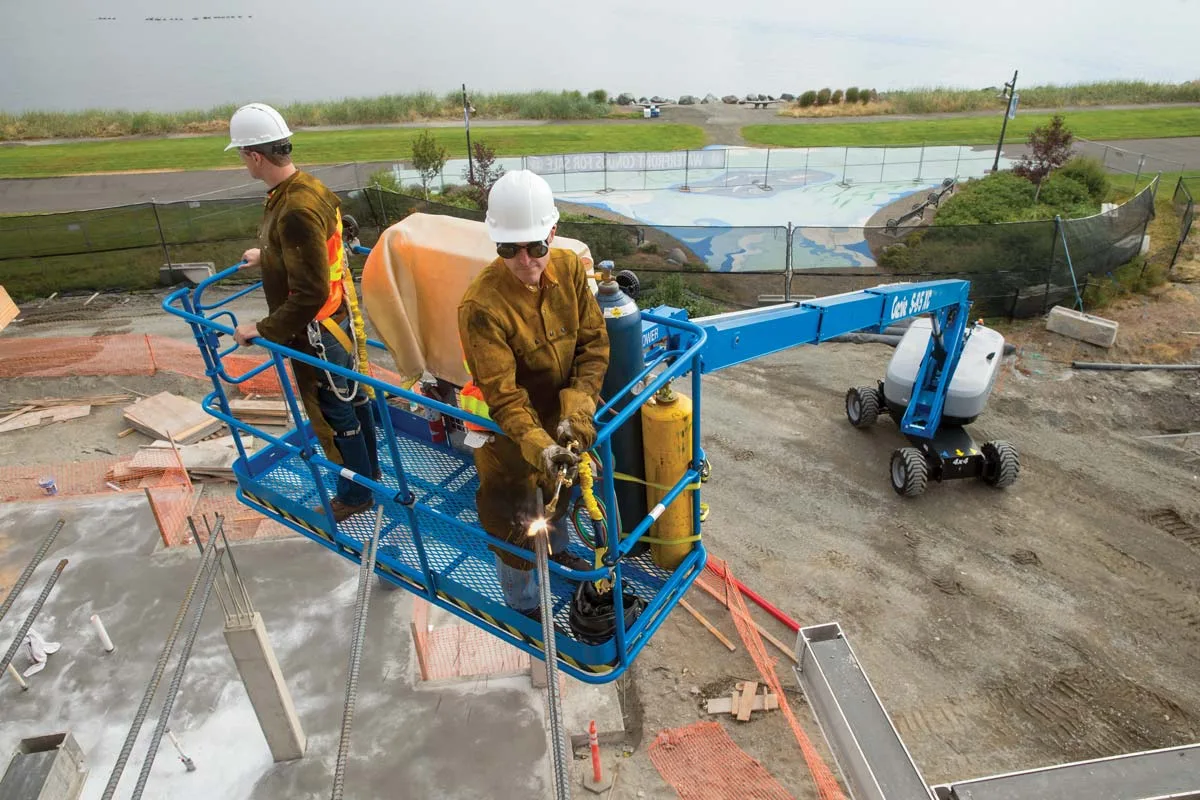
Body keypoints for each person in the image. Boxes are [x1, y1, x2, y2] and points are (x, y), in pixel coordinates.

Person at [457, 170, 610, 621]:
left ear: (552, 233)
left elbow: (593, 347)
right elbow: (504, 398)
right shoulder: (481, 307)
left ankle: (558, 553)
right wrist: (541, 446)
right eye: (509, 249)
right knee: (516, 523)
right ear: (496, 242)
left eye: (535, 247)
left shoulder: (570, 270)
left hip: (560, 425)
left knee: (557, 501)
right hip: (507, 439)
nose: (524, 260)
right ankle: (522, 603)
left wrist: (574, 418)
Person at [226, 102, 379, 523]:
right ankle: (370, 475)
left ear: (255, 156)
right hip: (335, 321)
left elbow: (310, 291)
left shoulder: (294, 209)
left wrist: (263, 328)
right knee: (353, 398)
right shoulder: (308, 188)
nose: (243, 162)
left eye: (242, 155)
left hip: (318, 332)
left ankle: (356, 493)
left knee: (335, 412)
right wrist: (269, 255)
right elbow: (318, 252)